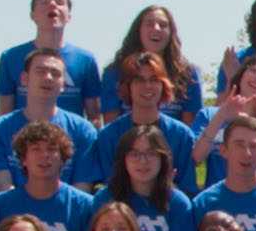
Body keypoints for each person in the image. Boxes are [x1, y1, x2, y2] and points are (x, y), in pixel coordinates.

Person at [0, 49, 99, 193]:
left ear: (63, 84)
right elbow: (3, 188)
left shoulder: (83, 130)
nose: (48, 77)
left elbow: (82, 190)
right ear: (25, 79)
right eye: (41, 71)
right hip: (14, 213)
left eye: (55, 74)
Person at [86, 53, 200, 196]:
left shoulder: (181, 135)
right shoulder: (109, 136)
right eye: (139, 80)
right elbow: (107, 188)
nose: (147, 86)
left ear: (163, 85)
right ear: (128, 87)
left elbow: (187, 190)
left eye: (154, 80)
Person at [93, 125, 197, 231]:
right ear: (123, 160)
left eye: (151, 154)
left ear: (163, 159)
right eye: (135, 154)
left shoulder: (178, 203)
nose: (143, 161)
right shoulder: (105, 198)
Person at [0, 119, 97, 231]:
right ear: (23, 159)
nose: (44, 155)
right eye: (36, 149)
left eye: (51, 149)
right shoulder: (0, 205)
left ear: (63, 159)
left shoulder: (85, 205)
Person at [0, 0, 101, 123]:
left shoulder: (85, 60)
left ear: (69, 16)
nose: (52, 5)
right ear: (32, 15)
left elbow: (94, 116)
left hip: (69, 140)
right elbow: (5, 113)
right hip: (24, 139)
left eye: (59, 2)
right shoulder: (10, 57)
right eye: (44, 2)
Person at [193, 54, 256, 186]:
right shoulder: (209, 115)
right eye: (254, 70)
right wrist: (220, 117)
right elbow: (196, 158)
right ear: (241, 76)